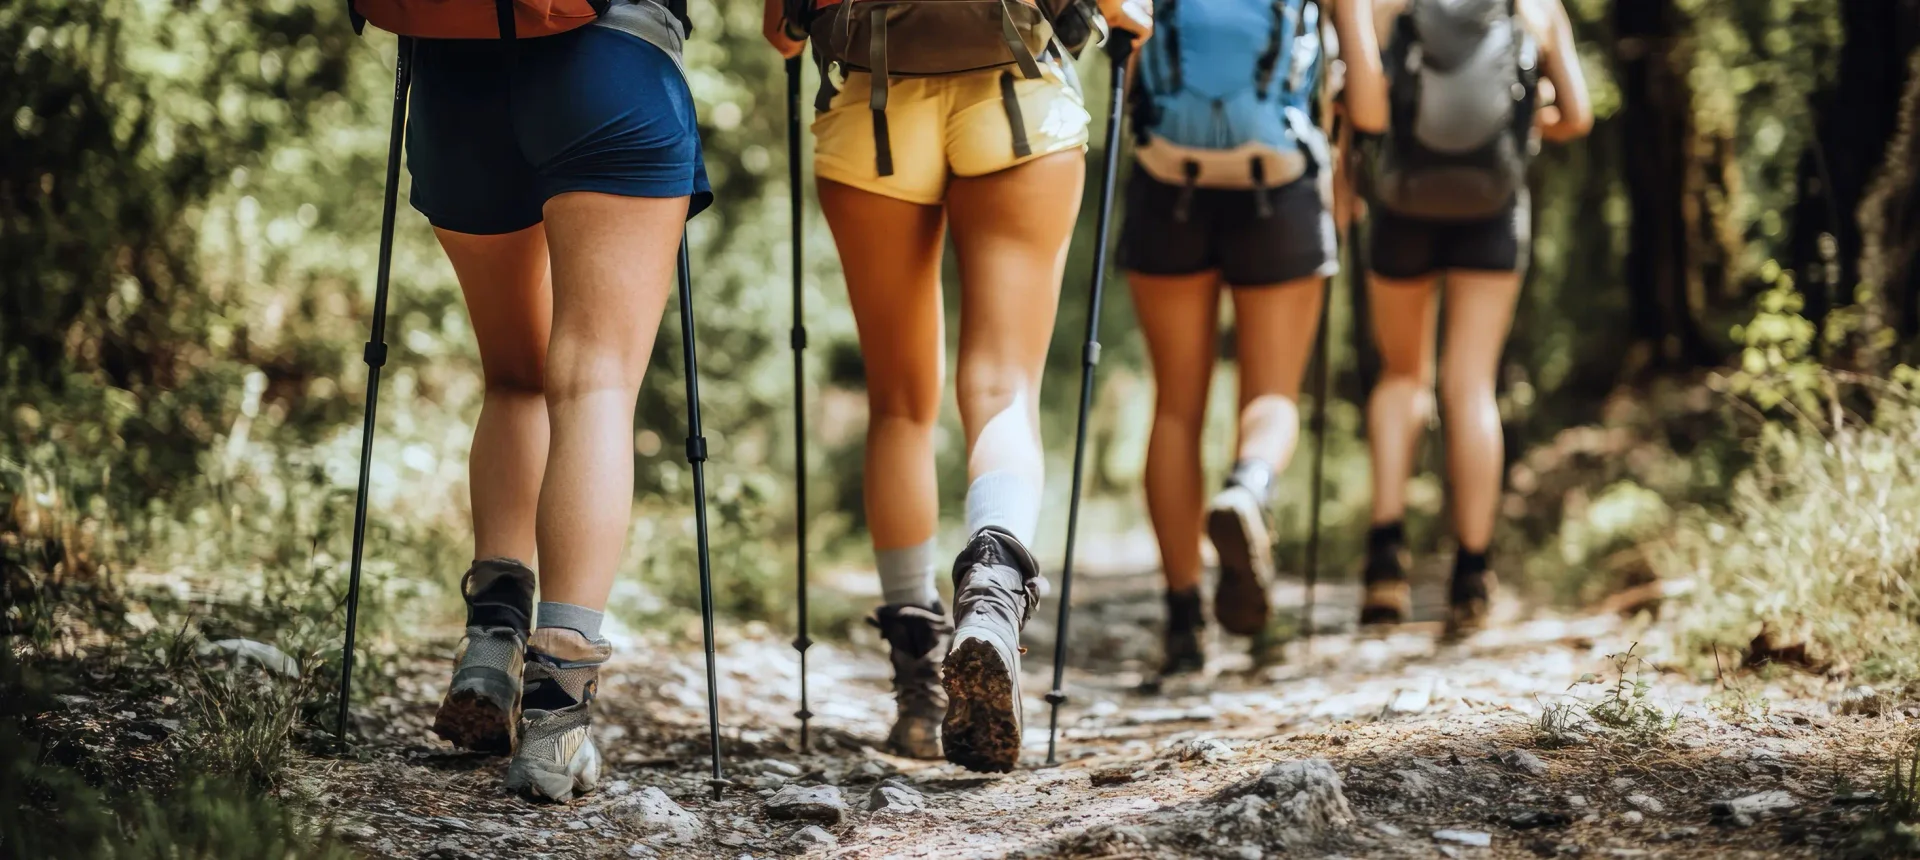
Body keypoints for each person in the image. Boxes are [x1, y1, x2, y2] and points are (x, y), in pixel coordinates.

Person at [765, 0, 1151, 772]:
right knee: (1003, 385)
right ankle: (992, 596)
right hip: (1020, 103)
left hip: (871, 113)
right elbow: (1120, 10)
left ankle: (918, 687)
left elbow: (784, 25)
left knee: (900, 406)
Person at [410, 0, 712, 802]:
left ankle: (489, 648)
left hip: (455, 74)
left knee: (513, 377)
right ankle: (556, 712)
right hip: (614, 63)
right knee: (595, 381)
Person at [1336, 0, 1591, 634]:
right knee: (1471, 385)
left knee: (1402, 376)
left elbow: (1367, 112)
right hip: (1493, 208)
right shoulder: (1535, 6)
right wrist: (1521, 127)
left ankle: (1385, 566)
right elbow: (1578, 116)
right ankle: (1472, 576)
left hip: (1403, 206)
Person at [1118, 0, 1337, 677]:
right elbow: (1367, 92)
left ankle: (1183, 620)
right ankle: (1248, 487)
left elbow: (1121, 50)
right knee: (1271, 393)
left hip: (1165, 179)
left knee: (1176, 407)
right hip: (1280, 181)